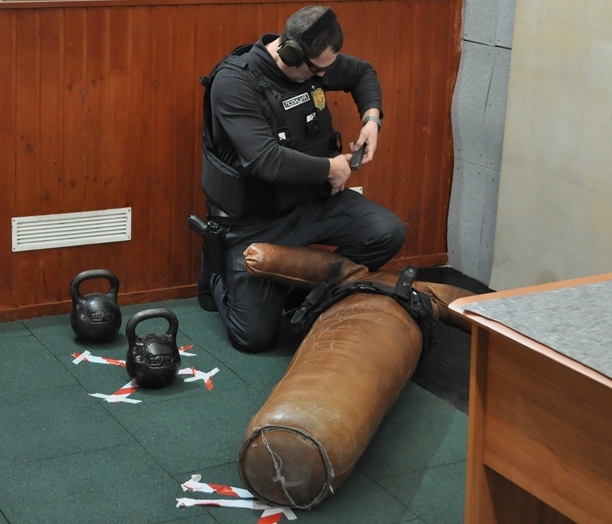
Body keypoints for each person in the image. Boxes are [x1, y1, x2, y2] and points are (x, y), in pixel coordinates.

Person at [197, 5, 406, 353]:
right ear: (291, 53)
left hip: (313, 204)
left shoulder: (313, 63)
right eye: (318, 69)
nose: (324, 75)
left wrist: (372, 121)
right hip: (255, 222)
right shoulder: (234, 83)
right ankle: (219, 273)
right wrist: (332, 168)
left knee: (387, 232)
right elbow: (265, 160)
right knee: (253, 338)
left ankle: (300, 289)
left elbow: (363, 73)